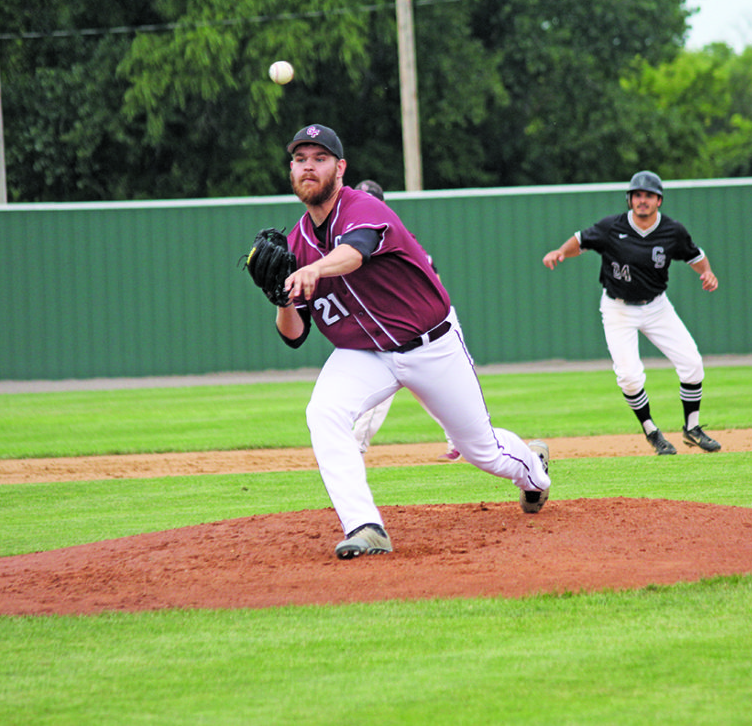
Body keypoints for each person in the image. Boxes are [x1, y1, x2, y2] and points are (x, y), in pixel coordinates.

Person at [268, 124, 550, 559]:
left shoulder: (362, 207)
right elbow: (295, 335)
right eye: (300, 159)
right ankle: (365, 526)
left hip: (430, 345)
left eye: (319, 158)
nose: (309, 166)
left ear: (339, 168)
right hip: (363, 353)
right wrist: (282, 299)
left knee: (481, 451)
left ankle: (533, 471)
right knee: (323, 413)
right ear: (291, 169)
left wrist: (314, 270)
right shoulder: (295, 243)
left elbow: (355, 251)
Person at [541, 170, 721, 456]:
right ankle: (652, 431)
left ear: (659, 200)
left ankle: (692, 429)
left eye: (649, 195)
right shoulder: (612, 227)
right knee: (629, 377)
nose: (642, 200)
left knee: (692, 363)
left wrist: (708, 273)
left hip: (656, 306)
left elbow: (694, 256)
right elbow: (581, 240)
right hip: (618, 309)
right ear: (630, 199)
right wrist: (560, 252)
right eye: (637, 195)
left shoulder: (672, 231)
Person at [349, 179, 460, 461]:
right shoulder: (354, 235)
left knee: (419, 389)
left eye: (371, 200)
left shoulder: (393, 234)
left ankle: (352, 449)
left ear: (382, 204)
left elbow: (433, 278)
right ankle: (459, 440)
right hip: (388, 325)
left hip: (411, 326)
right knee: (422, 389)